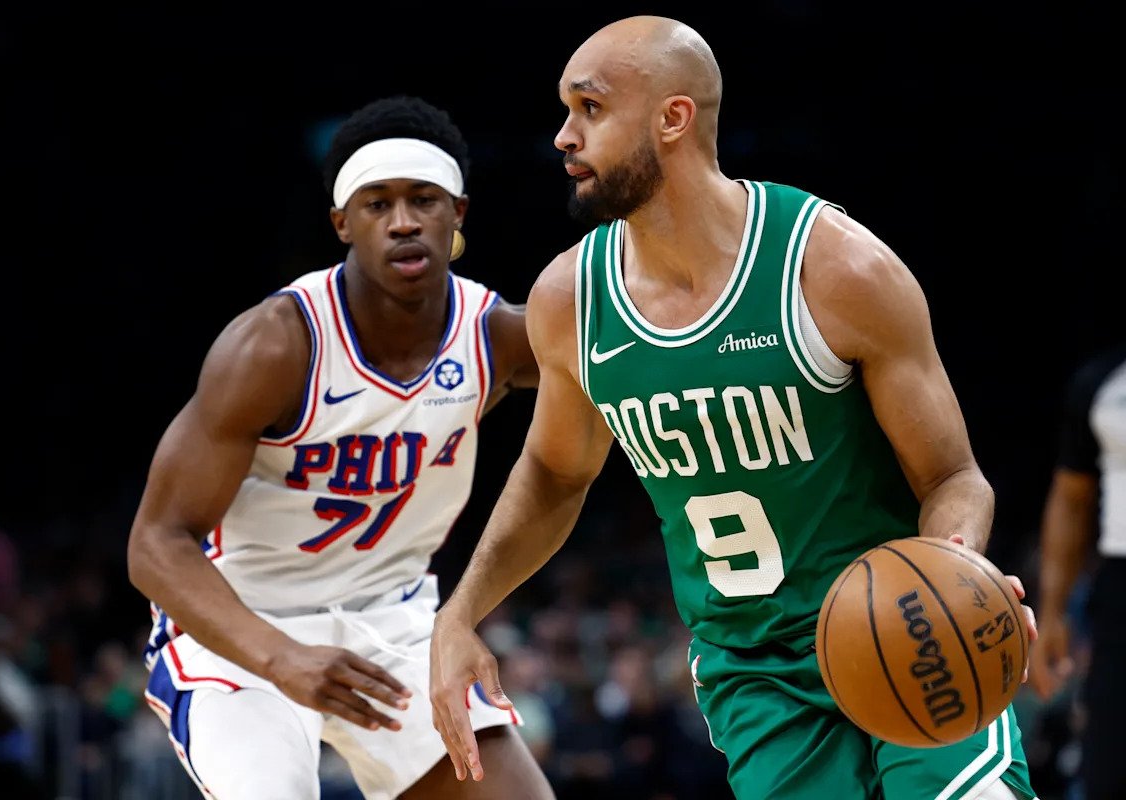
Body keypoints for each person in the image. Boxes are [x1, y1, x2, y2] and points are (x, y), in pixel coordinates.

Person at [429, 16, 1039, 800]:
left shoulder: (835, 268)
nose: (563, 136)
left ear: (673, 118)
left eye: (590, 108)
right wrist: (461, 615)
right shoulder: (570, 299)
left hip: (908, 630)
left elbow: (953, 476)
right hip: (756, 676)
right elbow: (554, 473)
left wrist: (956, 575)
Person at [126, 95, 553, 800]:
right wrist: (280, 657)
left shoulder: (496, 337)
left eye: (423, 200)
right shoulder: (274, 345)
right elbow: (154, 544)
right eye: (378, 204)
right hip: (243, 627)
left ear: (458, 214)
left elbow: (632, 361)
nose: (403, 221)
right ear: (342, 223)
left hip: (392, 618)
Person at [1030, 342, 1126, 800]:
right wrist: (1052, 614)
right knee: (1107, 773)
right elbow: (1071, 499)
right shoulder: (1103, 383)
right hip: (1120, 590)